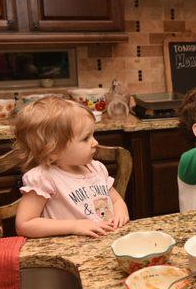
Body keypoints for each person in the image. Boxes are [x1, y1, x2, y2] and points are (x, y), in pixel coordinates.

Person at [14, 96, 129, 238]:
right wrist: (75, 226)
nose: (95, 142)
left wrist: (120, 214)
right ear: (53, 150)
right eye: (85, 138)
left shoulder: (96, 169)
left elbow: (116, 201)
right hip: (65, 252)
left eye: (93, 135)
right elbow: (25, 224)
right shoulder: (44, 178)